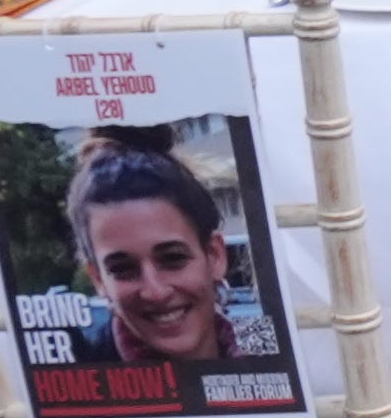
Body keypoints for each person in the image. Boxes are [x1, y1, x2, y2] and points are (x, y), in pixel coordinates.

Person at [56, 137, 250, 370]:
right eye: (122, 269)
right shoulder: (81, 377)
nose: (155, 292)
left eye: (173, 259)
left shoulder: (264, 344)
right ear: (98, 278)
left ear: (214, 255)